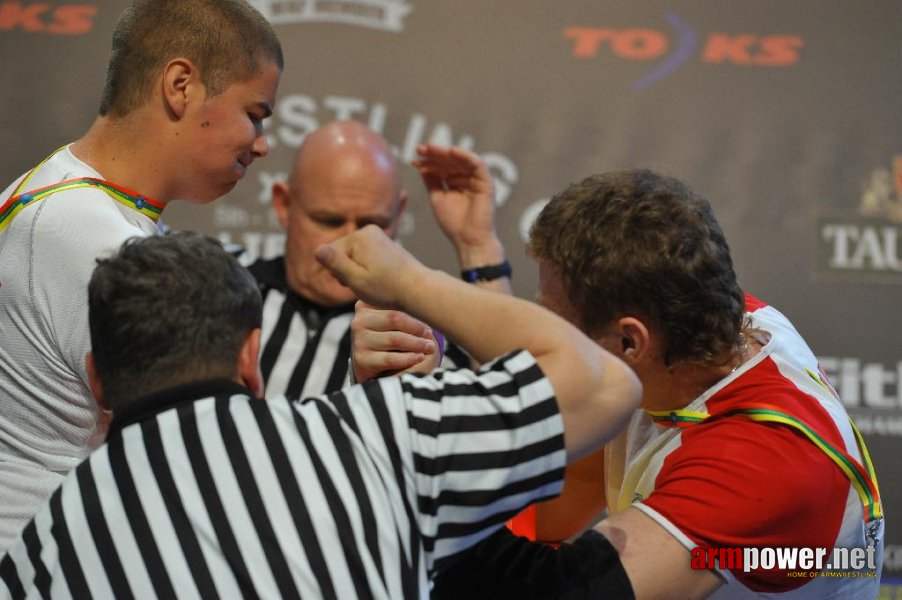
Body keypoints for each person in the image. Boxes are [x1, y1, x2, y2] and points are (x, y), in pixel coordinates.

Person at [0, 230, 641, 598]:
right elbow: (604, 383)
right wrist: (412, 282)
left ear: (97, 380)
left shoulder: (41, 550)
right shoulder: (369, 436)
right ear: (251, 357)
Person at [354, 169, 885, 598]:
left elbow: (555, 590)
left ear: (631, 341)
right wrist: (417, 380)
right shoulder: (718, 328)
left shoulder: (760, 462)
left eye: (554, 320)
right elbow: (550, 403)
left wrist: (411, 291)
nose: (544, 335)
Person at [0, 0, 282, 552]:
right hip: (51, 563)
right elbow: (200, 455)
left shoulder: (51, 188)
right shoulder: (92, 234)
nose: (263, 142)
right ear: (180, 86)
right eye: (255, 113)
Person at [248, 119, 510, 397]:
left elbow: (513, 408)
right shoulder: (224, 287)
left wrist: (477, 245)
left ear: (398, 215)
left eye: (372, 224)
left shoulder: (422, 336)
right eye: (328, 220)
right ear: (283, 205)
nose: (350, 243)